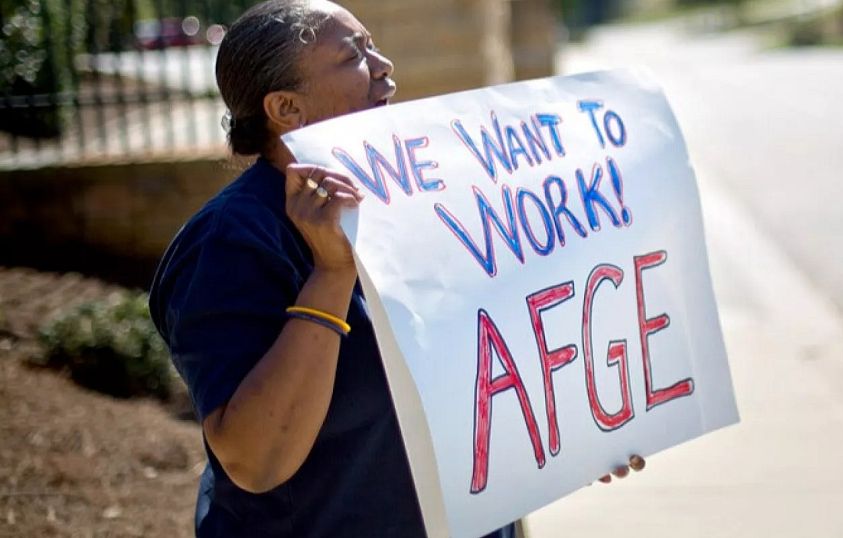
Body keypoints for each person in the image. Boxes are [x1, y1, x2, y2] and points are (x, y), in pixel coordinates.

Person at [149, 1, 644, 536]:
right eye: (353, 55)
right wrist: (331, 276)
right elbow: (256, 460)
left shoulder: (428, 198)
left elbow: (485, 366)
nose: (383, 65)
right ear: (286, 108)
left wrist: (572, 433)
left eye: (373, 44)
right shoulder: (232, 241)